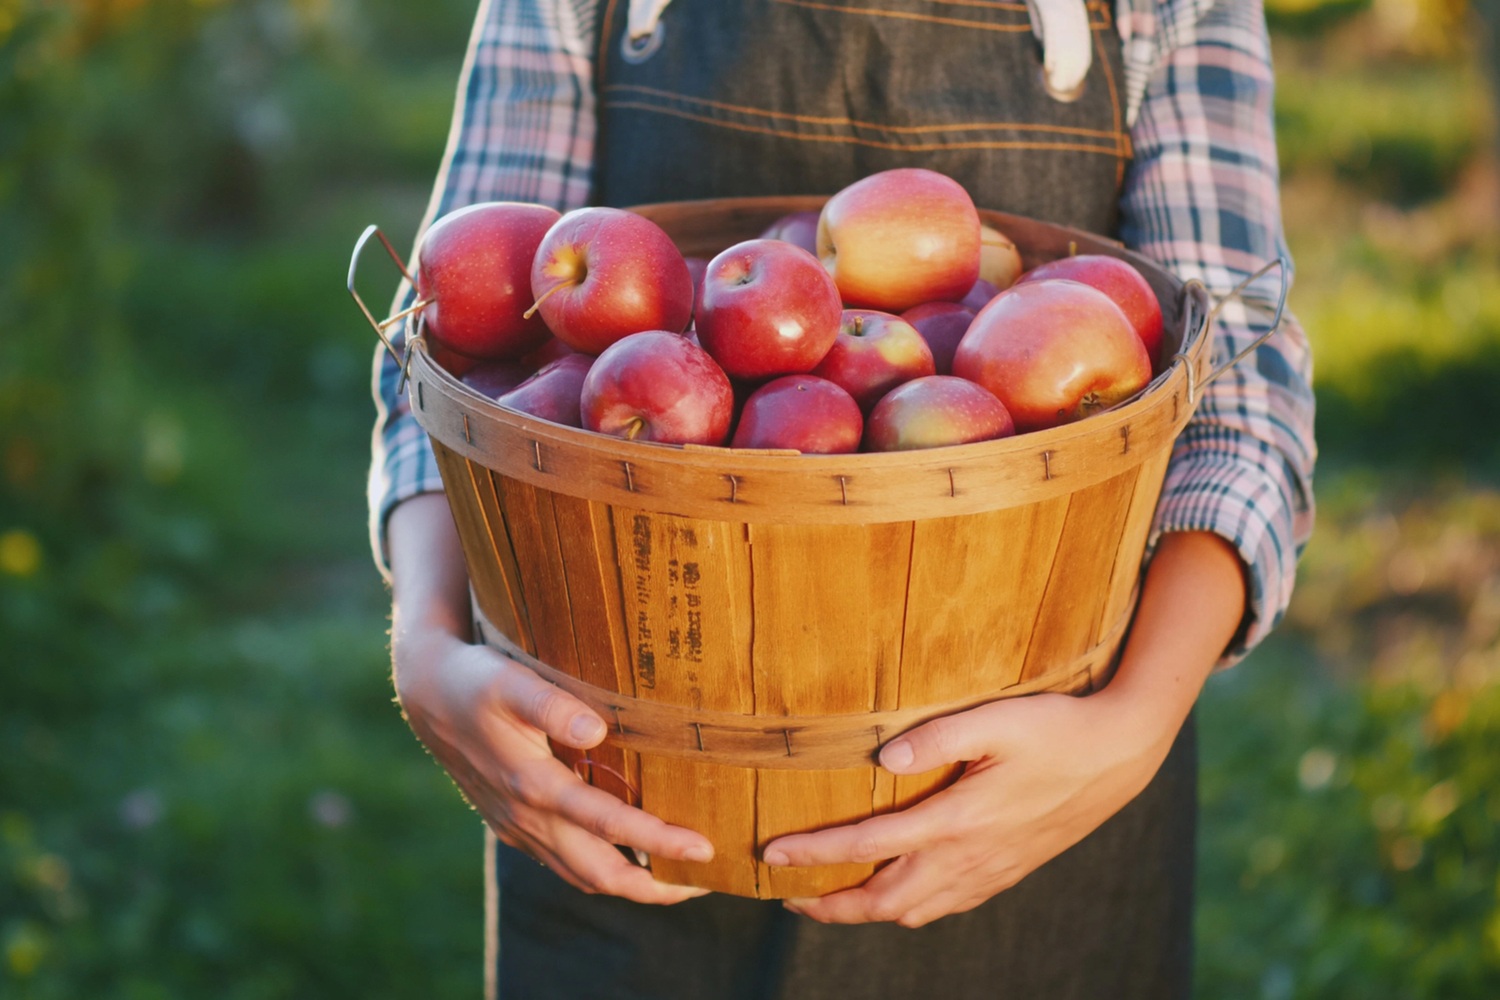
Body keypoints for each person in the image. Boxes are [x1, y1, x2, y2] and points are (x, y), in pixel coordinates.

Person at [370, 0, 1316, 996]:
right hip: (617, 794)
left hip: (1038, 802)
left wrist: (1129, 727)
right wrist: (427, 643)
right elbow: (451, 346)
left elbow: (1236, 385)